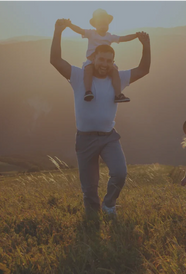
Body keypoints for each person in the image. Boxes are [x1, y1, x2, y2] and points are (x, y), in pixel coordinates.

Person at [49, 18, 151, 215]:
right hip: (85, 139)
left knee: (120, 174)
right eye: (101, 59)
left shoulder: (118, 78)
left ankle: (109, 204)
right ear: (93, 58)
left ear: (113, 63)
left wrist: (146, 46)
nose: (104, 64)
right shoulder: (79, 77)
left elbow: (143, 70)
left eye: (109, 61)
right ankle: (93, 221)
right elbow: (55, 60)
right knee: (89, 189)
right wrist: (58, 32)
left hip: (109, 138)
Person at [64, 9, 138, 103]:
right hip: (91, 60)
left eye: (105, 24)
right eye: (100, 24)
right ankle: (88, 91)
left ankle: (118, 94)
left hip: (105, 62)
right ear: (95, 25)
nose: (103, 26)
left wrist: (136, 35)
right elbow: (79, 30)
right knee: (88, 70)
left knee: (115, 72)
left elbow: (123, 38)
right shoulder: (91, 33)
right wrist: (70, 25)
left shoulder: (110, 36)